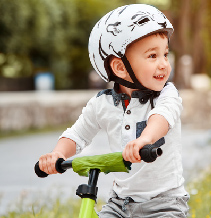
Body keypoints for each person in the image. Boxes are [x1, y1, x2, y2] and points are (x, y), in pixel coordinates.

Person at [38, 4, 189, 217]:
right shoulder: (102, 104)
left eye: (165, 54)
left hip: (164, 204)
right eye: (153, 56)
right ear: (120, 67)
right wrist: (58, 154)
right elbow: (78, 134)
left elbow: (162, 117)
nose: (164, 64)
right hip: (120, 204)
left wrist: (145, 139)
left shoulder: (166, 95)